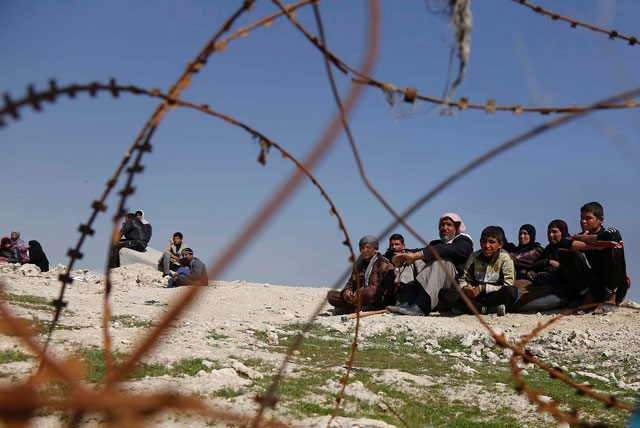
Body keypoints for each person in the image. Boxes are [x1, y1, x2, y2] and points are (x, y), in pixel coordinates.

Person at [386, 213, 473, 316]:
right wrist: (402, 253)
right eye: (442, 225)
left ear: (456, 227)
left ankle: (421, 307)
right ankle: (408, 302)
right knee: (410, 259)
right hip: (432, 289)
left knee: (440, 261)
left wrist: (417, 255)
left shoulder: (464, 240)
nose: (445, 228)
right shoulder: (436, 244)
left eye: (449, 225)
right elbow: (419, 251)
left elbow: (446, 250)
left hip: (452, 289)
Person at [556, 201, 629, 314]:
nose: (583, 221)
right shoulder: (582, 236)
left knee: (614, 248)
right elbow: (562, 244)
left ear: (600, 220)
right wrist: (595, 246)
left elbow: (610, 238)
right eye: (582, 217)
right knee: (564, 253)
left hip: (616, 286)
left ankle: (610, 299)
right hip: (596, 284)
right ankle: (589, 300)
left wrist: (581, 238)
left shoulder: (609, 232)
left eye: (588, 218)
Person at [509, 220, 588, 312]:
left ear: (563, 232)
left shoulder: (571, 250)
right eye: (549, 232)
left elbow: (574, 273)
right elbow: (536, 265)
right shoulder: (548, 250)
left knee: (527, 298)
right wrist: (549, 262)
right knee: (515, 286)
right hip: (541, 283)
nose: (551, 235)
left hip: (560, 290)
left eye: (554, 232)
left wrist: (551, 270)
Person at [438, 226, 517, 316]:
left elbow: (508, 284)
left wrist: (482, 288)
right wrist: (466, 289)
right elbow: (463, 279)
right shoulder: (474, 257)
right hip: (474, 297)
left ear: (500, 244)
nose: (487, 246)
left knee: (511, 291)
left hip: (493, 296)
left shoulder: (505, 258)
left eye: (491, 242)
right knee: (444, 293)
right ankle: (485, 309)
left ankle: (471, 308)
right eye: (483, 242)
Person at [327, 235, 395, 315]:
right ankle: (356, 308)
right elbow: (351, 283)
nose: (364, 250)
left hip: (376, 298)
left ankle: (350, 308)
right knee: (331, 295)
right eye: (362, 248)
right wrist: (347, 291)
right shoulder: (359, 264)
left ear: (375, 249)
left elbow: (390, 290)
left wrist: (367, 290)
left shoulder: (384, 264)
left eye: (368, 247)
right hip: (358, 298)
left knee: (368, 291)